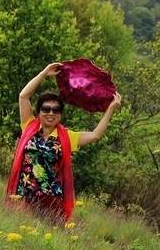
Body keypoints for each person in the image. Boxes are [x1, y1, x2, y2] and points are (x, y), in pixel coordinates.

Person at [7, 62, 121, 224]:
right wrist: (43, 73)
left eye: (56, 110)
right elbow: (23, 96)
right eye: (46, 109)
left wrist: (110, 109)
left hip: (51, 200)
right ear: (39, 112)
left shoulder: (66, 137)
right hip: (24, 194)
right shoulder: (29, 126)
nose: (50, 113)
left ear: (60, 114)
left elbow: (95, 135)